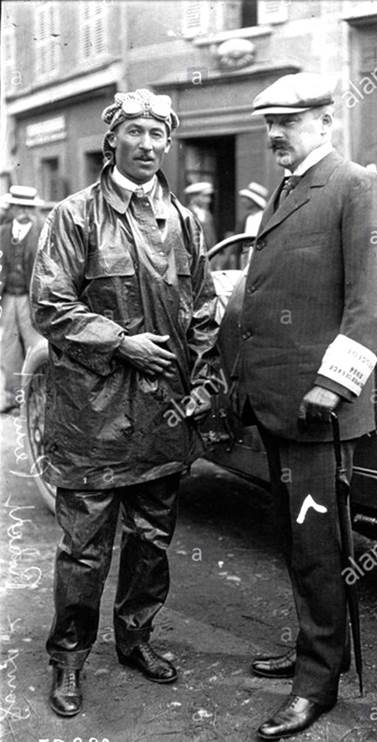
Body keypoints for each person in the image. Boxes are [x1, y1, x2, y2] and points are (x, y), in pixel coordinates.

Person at [31, 89, 222, 717]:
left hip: (163, 414)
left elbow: (201, 309)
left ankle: (135, 638)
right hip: (93, 412)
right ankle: (68, 657)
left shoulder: (184, 221)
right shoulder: (74, 215)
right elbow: (51, 306)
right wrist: (123, 344)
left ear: (169, 143)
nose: (147, 145)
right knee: (84, 548)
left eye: (158, 134)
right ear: (112, 139)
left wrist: (203, 380)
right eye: (135, 132)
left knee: (152, 540)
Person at [237, 72, 377, 739]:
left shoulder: (358, 186)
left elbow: (375, 301)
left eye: (293, 119)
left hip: (319, 409)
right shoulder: (288, 187)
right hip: (279, 405)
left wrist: (333, 385)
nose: (278, 132)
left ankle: (317, 684)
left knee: (317, 547)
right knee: (296, 540)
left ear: (326, 119)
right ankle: (314, 646)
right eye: (271, 121)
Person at [0, 185, 44, 413]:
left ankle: (36, 398)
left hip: (30, 297)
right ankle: (12, 396)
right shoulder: (3, 231)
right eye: (19, 206)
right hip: (8, 297)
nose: (23, 211)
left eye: (27, 207)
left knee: (35, 345)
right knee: (8, 346)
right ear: (13, 207)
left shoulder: (41, 231)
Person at [184, 181, 217, 248]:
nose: (208, 200)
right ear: (194, 197)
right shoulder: (187, 213)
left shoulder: (207, 214)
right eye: (204, 196)